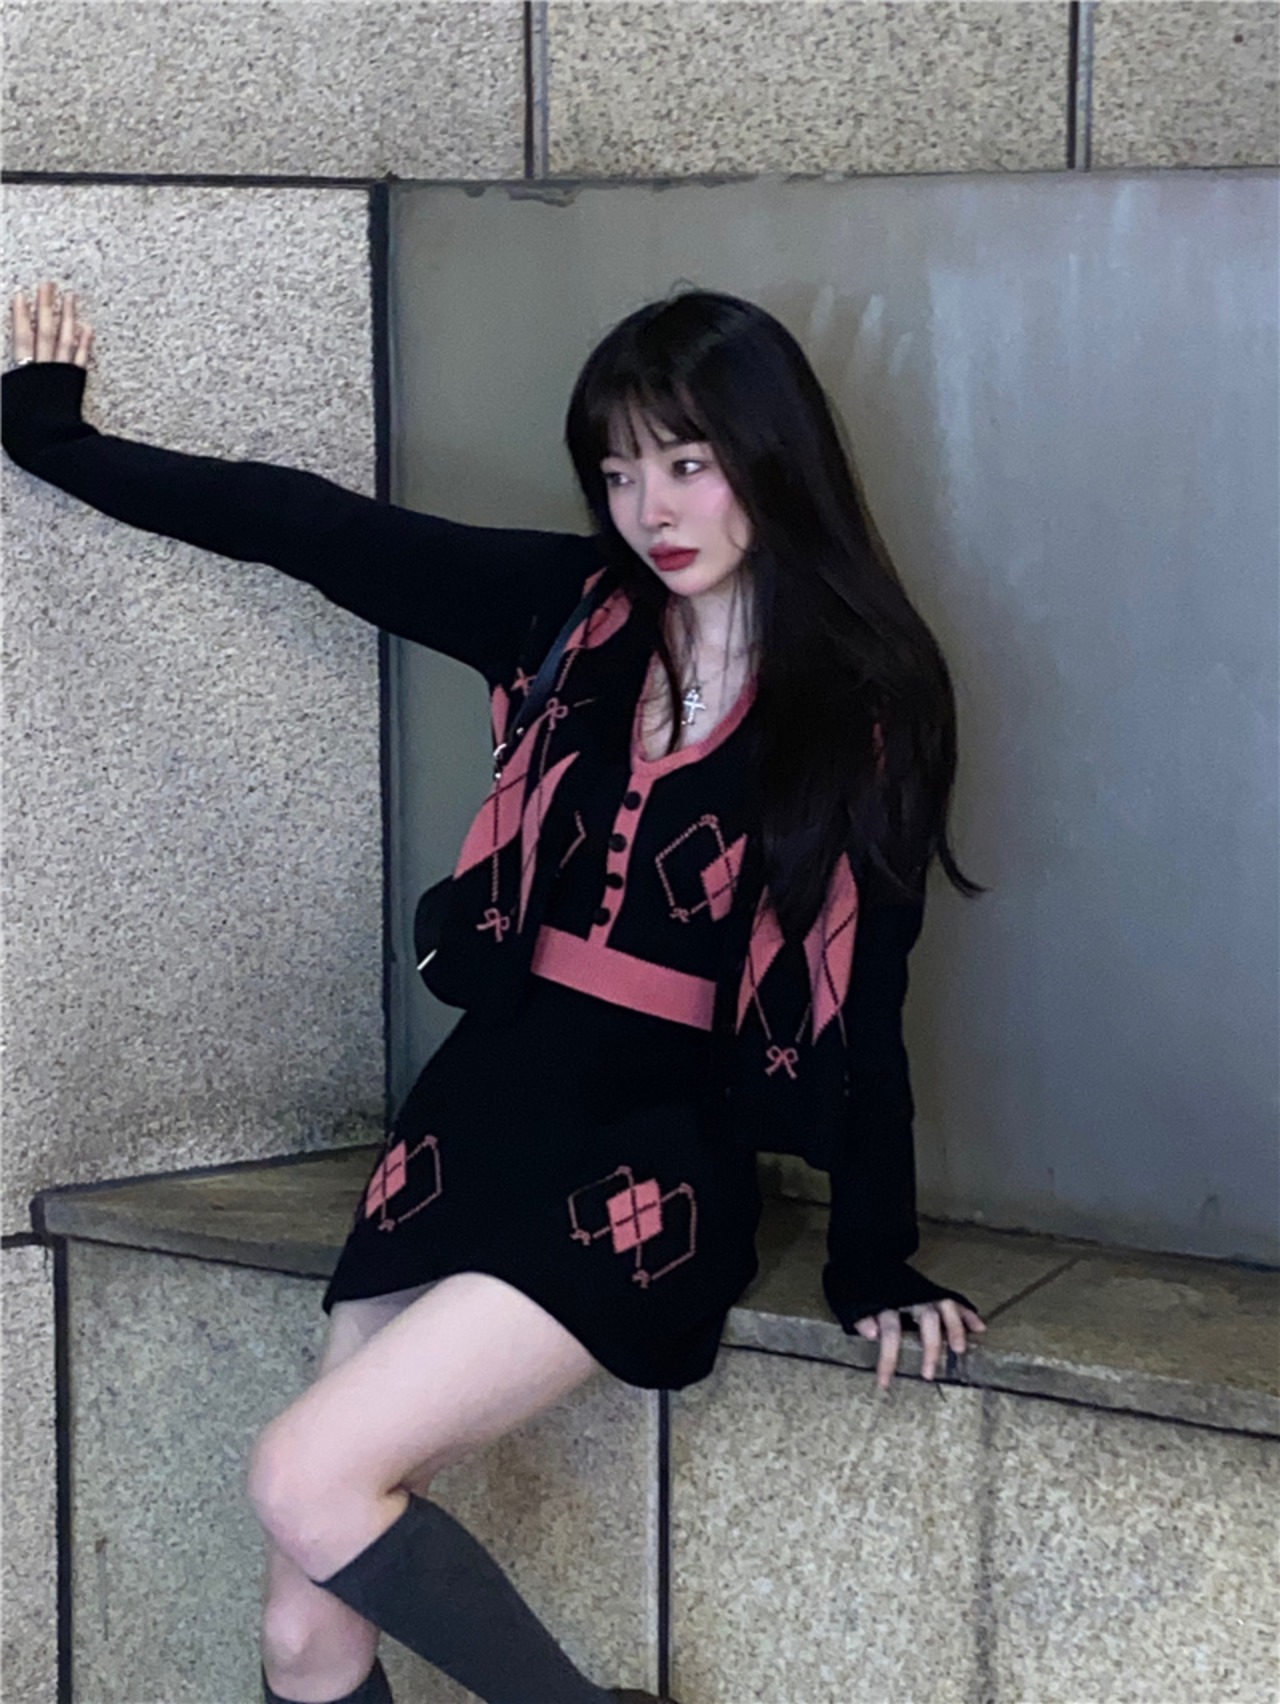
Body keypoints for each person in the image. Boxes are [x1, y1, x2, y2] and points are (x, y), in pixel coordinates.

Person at [4, 279, 988, 1704]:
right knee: (304, 1631)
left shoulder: (867, 697)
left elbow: (868, 987)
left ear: (772, 457)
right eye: (620, 472)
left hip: (651, 1155)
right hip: (474, 1117)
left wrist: (874, 1258)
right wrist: (54, 442)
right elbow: (307, 527)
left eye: (688, 463)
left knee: (303, 1473)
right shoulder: (567, 610)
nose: (650, 508)